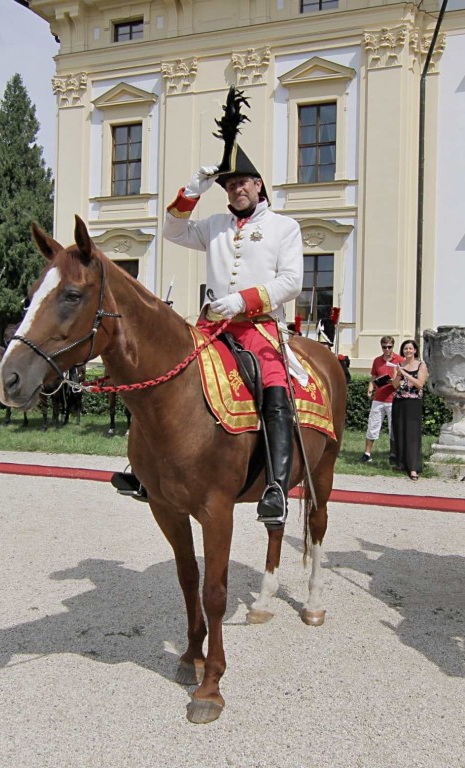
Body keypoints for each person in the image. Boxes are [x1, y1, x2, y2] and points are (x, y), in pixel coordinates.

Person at [161, 86, 303, 528]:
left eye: (242, 181)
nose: (236, 188)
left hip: (258, 328)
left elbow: (292, 281)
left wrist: (241, 300)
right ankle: (150, 471)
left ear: (258, 186)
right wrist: (192, 188)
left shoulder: (283, 226)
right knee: (164, 380)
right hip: (211, 328)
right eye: (229, 183)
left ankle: (277, 487)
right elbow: (171, 231)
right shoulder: (216, 225)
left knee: (274, 386)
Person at [360, 335, 403, 464]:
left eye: (389, 347)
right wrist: (370, 387)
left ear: (393, 346)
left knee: (393, 427)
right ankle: (367, 454)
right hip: (378, 398)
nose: (387, 350)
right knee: (372, 425)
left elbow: (403, 379)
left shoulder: (399, 360)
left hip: (393, 398)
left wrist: (393, 380)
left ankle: (394, 454)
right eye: (384, 347)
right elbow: (373, 376)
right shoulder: (377, 360)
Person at [391, 338, 428, 480]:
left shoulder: (421, 366)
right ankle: (401, 463)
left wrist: (405, 374)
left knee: (412, 435)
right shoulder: (399, 365)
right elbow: (394, 385)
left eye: (410, 349)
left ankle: (413, 468)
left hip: (413, 403)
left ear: (415, 350)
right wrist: (399, 374)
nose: (408, 351)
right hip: (399, 401)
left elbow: (419, 384)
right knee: (400, 432)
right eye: (405, 349)